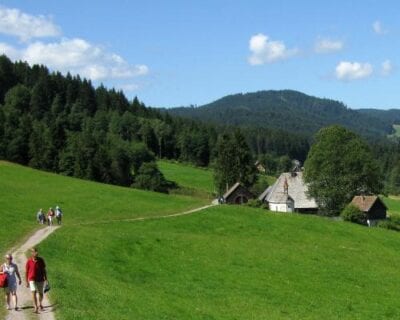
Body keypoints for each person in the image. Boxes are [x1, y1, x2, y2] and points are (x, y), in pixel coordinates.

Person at [25, 248, 47, 313]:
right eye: (34, 252)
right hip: (32, 279)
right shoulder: (29, 261)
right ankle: (35, 306)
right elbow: (26, 272)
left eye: (36, 251)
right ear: (31, 253)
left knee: (41, 294)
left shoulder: (41, 260)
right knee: (33, 292)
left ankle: (40, 303)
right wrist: (26, 281)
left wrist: (46, 278)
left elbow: (44, 270)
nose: (36, 253)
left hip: (40, 279)